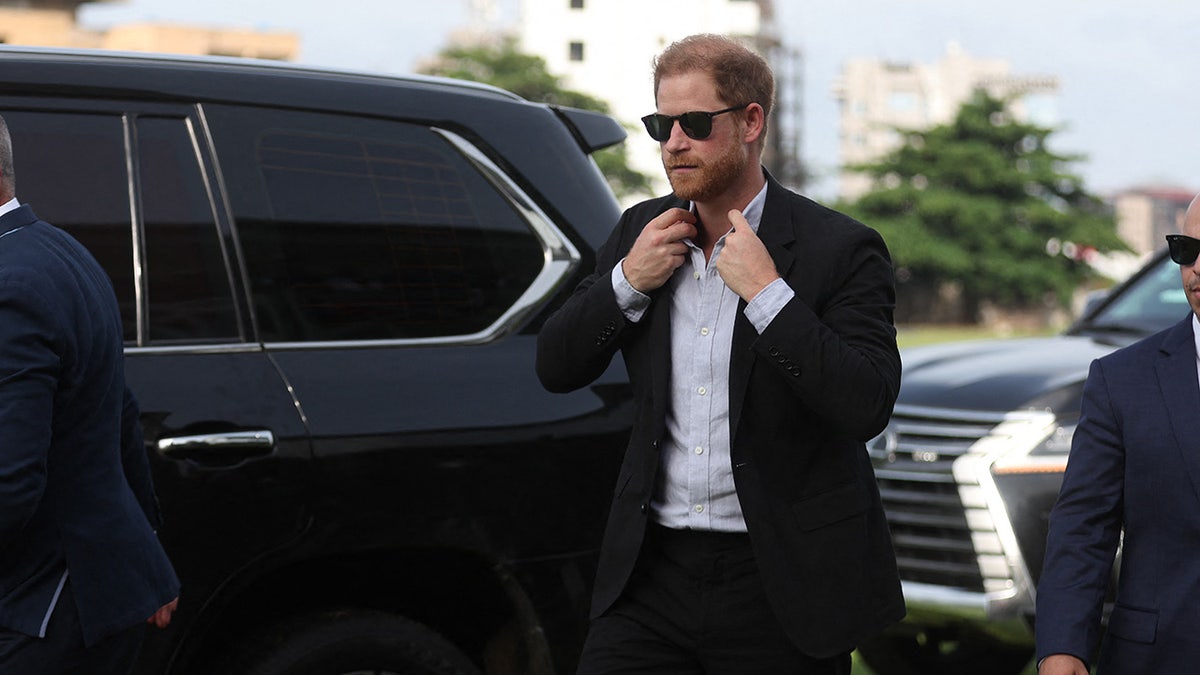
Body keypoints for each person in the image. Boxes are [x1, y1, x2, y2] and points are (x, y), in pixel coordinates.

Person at [536, 34, 904, 674]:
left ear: (751, 122)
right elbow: (556, 366)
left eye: (696, 124)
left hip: (781, 581)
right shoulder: (640, 232)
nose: (673, 142)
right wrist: (628, 279)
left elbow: (866, 403)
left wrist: (767, 295)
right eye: (660, 124)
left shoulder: (840, 248)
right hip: (651, 576)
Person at [0, 113, 180, 673]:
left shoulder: (11, 284)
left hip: (41, 610)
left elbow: (7, 482)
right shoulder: (58, 249)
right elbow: (116, 410)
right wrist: (146, 554)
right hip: (98, 593)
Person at [1036, 193, 1200, 674]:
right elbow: (1084, 526)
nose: (1196, 268)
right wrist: (1062, 647)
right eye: (1186, 249)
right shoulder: (1121, 379)